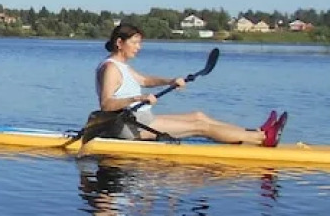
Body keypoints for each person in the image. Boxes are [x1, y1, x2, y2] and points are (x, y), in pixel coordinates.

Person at [96, 23, 287, 146]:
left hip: (139, 119)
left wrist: (170, 81)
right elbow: (106, 104)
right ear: (120, 43)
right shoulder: (111, 68)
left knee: (198, 115)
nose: (139, 47)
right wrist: (138, 97)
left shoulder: (122, 66)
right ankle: (263, 139)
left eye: (140, 43)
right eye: (135, 42)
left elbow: (145, 80)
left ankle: (256, 132)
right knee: (200, 126)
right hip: (129, 127)